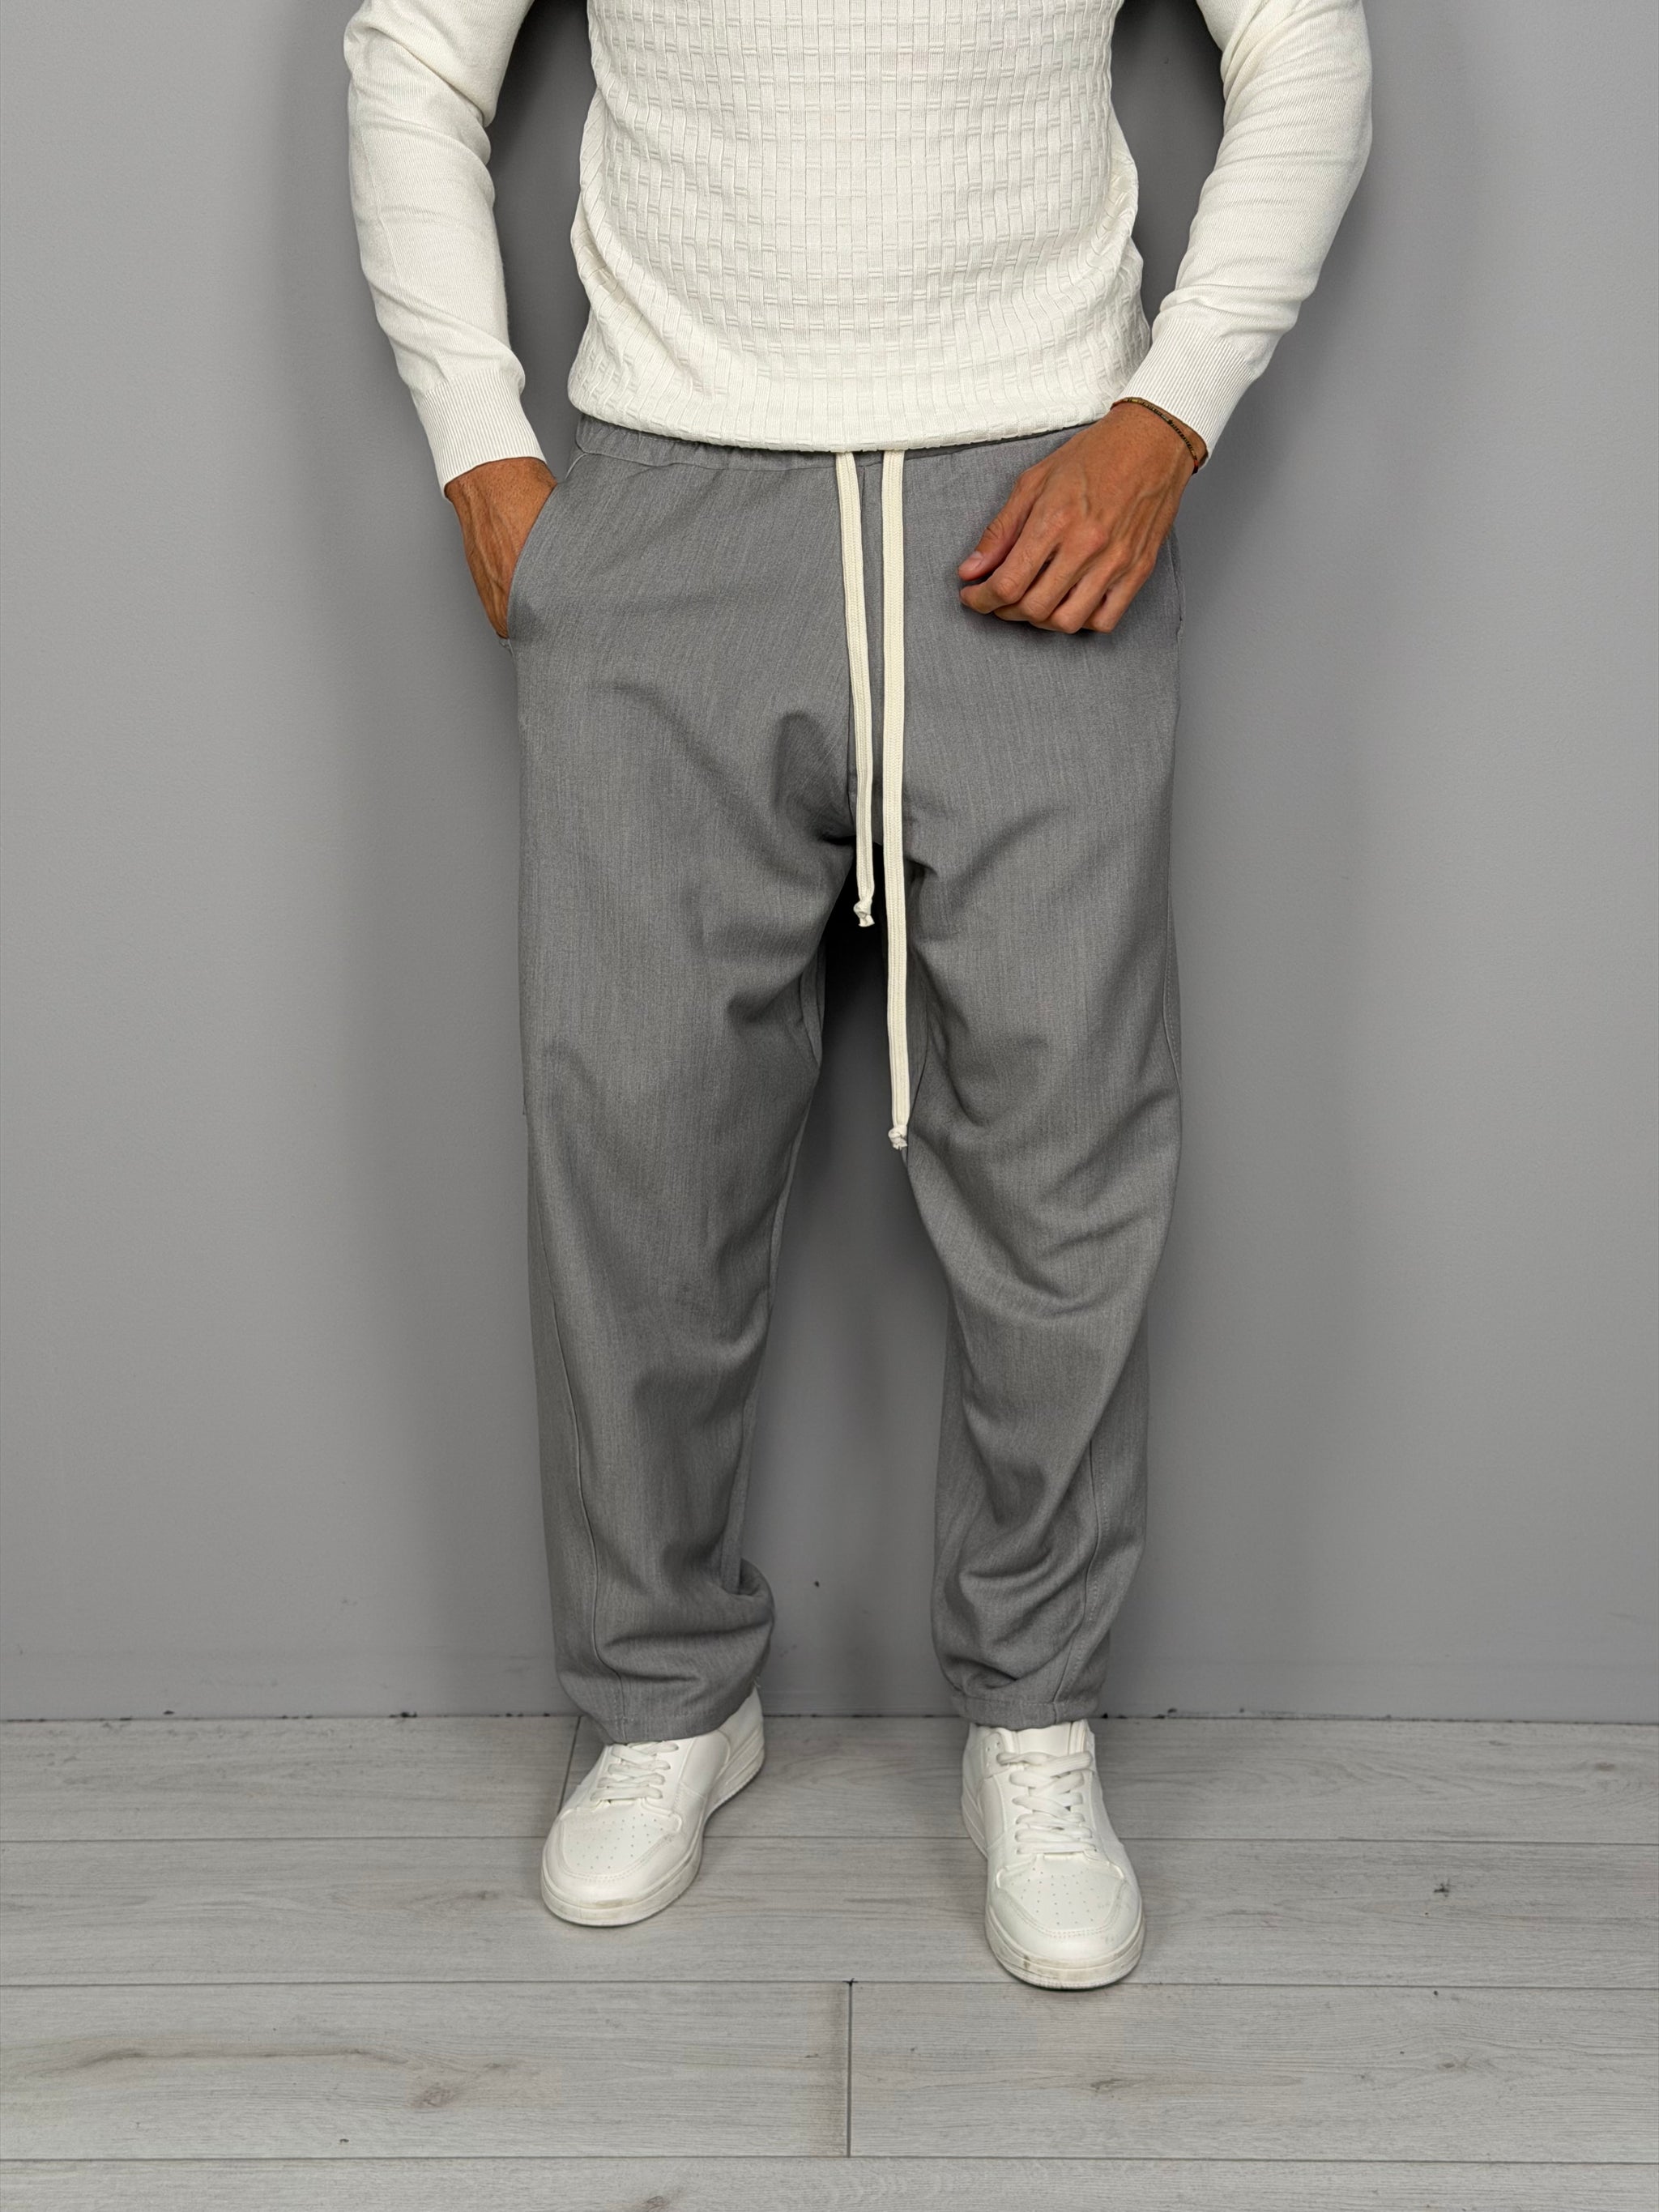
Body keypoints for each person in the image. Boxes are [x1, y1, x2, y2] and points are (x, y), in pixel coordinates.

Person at [344, 0, 1371, 1989]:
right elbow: (414, 53)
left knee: (1067, 1147)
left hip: (1040, 493)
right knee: (631, 1138)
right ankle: (662, 1701)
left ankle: (1033, 1720)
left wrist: (1166, 416)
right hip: (667, 501)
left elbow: (1306, 44)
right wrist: (479, 443)